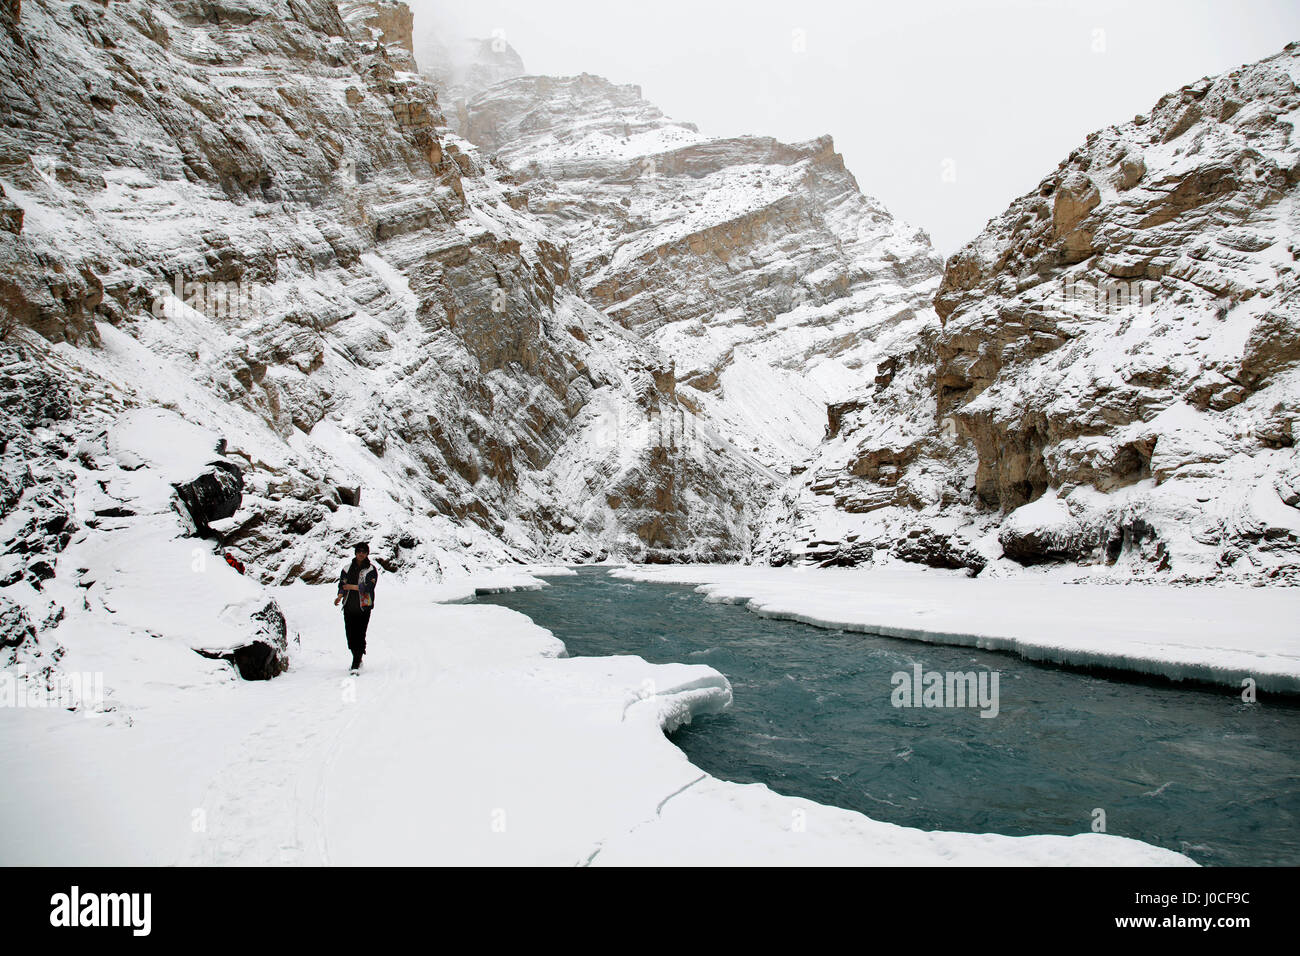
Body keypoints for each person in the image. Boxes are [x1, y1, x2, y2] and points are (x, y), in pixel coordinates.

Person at [335, 542, 378, 674]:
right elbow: (342, 584)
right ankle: (357, 657)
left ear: (367, 554)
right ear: (355, 553)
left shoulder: (371, 570)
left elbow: (369, 587)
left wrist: (351, 587)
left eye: (364, 552)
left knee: (360, 634)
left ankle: (356, 663)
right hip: (348, 606)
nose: (361, 554)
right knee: (350, 635)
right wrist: (340, 595)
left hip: (364, 607)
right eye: (359, 551)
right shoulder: (347, 568)